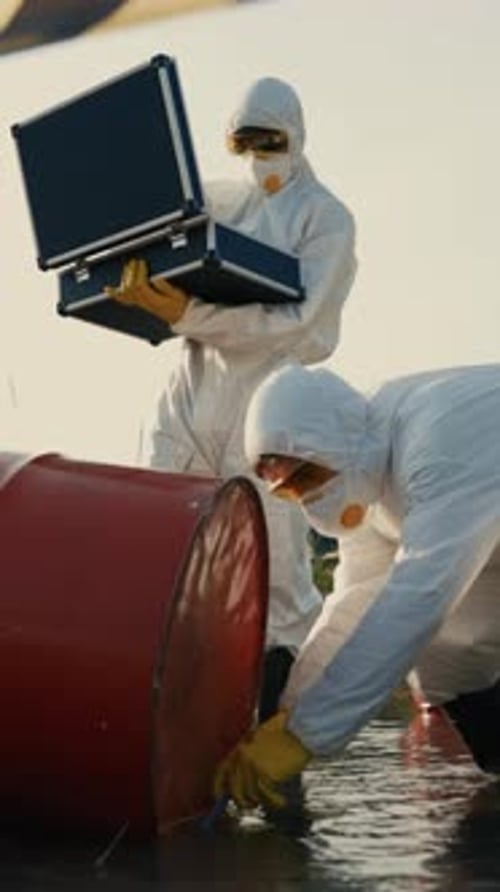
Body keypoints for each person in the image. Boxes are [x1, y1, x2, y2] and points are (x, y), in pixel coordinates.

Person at [106, 76, 357, 718]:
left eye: (269, 141)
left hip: (267, 408)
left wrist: (190, 312)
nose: (256, 155)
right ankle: (156, 727)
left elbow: (298, 323)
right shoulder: (218, 203)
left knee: (278, 585)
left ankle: (277, 738)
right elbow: (152, 230)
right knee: (158, 558)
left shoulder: (325, 218)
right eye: (242, 142)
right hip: (186, 402)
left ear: (297, 137)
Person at [214, 361, 500, 810]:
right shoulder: (368, 465)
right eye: (289, 491)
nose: (306, 498)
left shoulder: (437, 446)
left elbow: (417, 599)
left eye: (307, 477)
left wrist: (306, 736)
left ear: (337, 443)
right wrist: (291, 711)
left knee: (423, 623)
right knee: (445, 658)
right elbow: (354, 602)